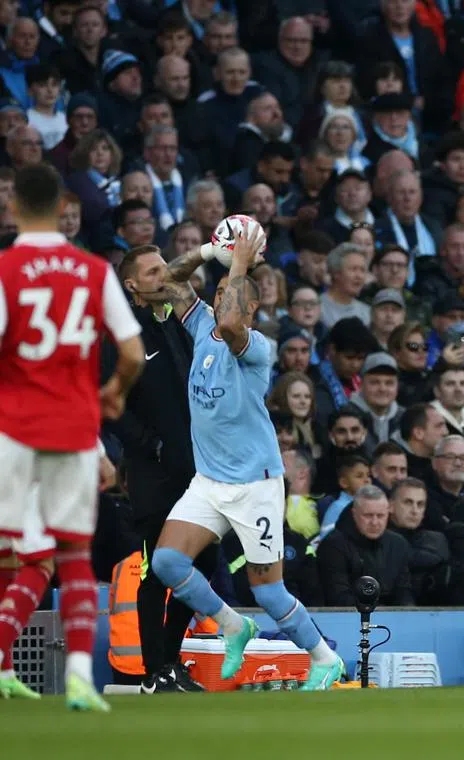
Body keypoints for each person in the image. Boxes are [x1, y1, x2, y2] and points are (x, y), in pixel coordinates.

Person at [148, 229, 345, 691]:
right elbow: (168, 283)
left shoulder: (256, 346)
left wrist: (237, 265)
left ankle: (324, 658)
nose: (219, 302)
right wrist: (207, 253)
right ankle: (234, 625)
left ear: (252, 307)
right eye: (215, 294)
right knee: (167, 563)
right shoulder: (200, 326)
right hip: (209, 481)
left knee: (269, 592)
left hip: (254, 484)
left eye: (228, 295)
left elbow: (234, 323)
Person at [0, 164, 144, 710]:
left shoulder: (7, 269)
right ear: (64, 206)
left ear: (13, 206)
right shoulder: (92, 271)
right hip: (74, 432)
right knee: (72, 553)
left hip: (12, 431)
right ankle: (81, 676)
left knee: (14, 556)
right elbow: (131, 353)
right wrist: (113, 393)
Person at [108, 245, 212, 694]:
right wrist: (151, 446)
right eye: (152, 271)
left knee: (201, 567)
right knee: (159, 570)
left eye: (164, 268)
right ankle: (156, 671)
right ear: (131, 285)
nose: (162, 275)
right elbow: (112, 405)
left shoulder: (181, 323)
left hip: (198, 469)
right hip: (154, 475)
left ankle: (169, 659)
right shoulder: (121, 339)